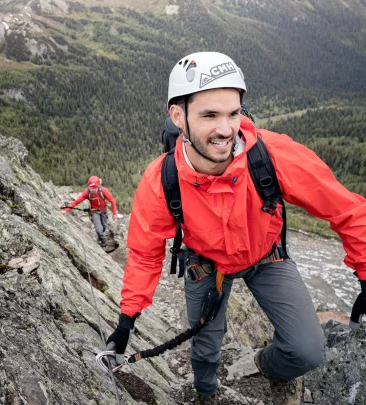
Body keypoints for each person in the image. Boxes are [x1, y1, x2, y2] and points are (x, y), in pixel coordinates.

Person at [105, 51, 366, 405]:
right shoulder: (163, 180)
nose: (226, 129)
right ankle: (206, 394)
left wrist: (364, 271)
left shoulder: (271, 155)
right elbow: (144, 253)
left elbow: (347, 209)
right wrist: (127, 319)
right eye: (210, 115)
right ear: (178, 116)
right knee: (204, 352)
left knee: (306, 352)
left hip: (266, 255)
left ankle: (266, 365)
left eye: (233, 113)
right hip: (205, 264)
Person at [63, 176, 118, 247]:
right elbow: (76, 202)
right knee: (99, 229)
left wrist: (114, 213)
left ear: (98, 186)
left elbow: (112, 200)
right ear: (88, 186)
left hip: (103, 210)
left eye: (94, 188)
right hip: (94, 212)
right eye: (91, 188)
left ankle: (100, 237)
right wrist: (66, 210)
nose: (92, 190)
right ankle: (104, 242)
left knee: (104, 227)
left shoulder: (103, 191)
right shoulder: (87, 193)